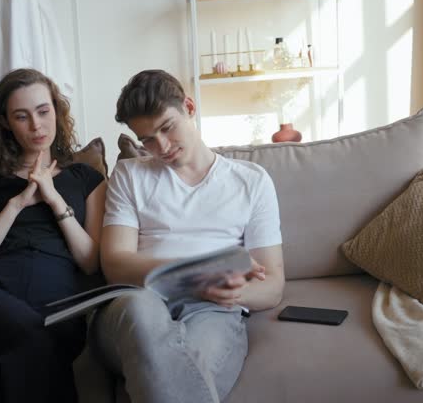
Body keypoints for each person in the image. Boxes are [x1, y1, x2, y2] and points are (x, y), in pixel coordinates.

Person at [91, 69, 285, 403]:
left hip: (213, 310)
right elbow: (115, 265)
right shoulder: (129, 174)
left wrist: (228, 291)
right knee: (141, 314)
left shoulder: (251, 181)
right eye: (147, 140)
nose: (162, 146)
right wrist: (195, 275)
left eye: (167, 127)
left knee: (188, 369)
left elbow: (273, 285)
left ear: (189, 108)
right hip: (140, 301)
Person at [0, 68, 107, 403]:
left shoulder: (86, 179)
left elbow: (90, 262)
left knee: (33, 345)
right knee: (35, 343)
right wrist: (16, 204)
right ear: (6, 122)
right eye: (22, 116)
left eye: (43, 111)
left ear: (56, 111)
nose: (36, 126)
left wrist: (54, 199)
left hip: (59, 309)